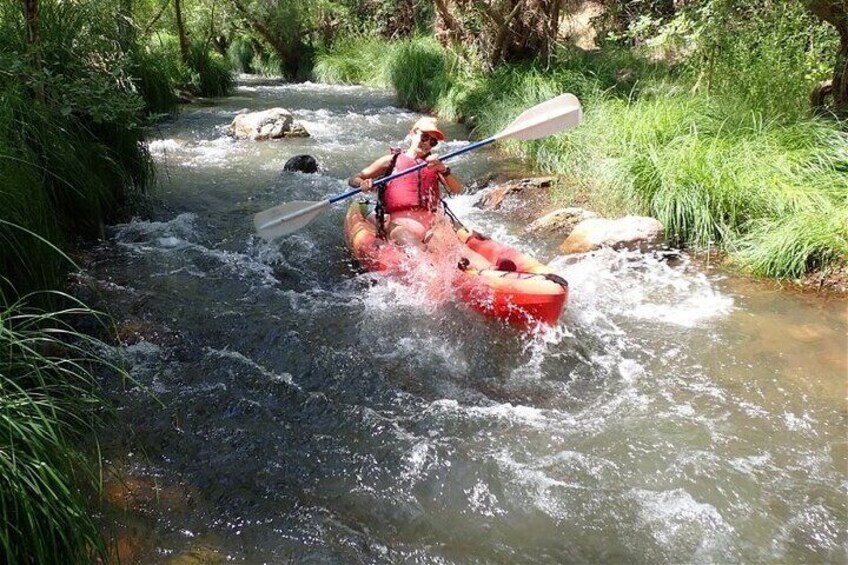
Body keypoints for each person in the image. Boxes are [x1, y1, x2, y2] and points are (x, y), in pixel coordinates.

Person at [348, 117, 462, 249]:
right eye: (424, 137)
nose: (427, 144)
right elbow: (355, 178)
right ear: (413, 134)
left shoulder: (435, 165)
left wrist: (444, 170)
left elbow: (457, 190)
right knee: (419, 250)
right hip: (399, 227)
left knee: (452, 253)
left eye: (433, 142)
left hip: (431, 227)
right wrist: (363, 183)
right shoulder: (391, 161)